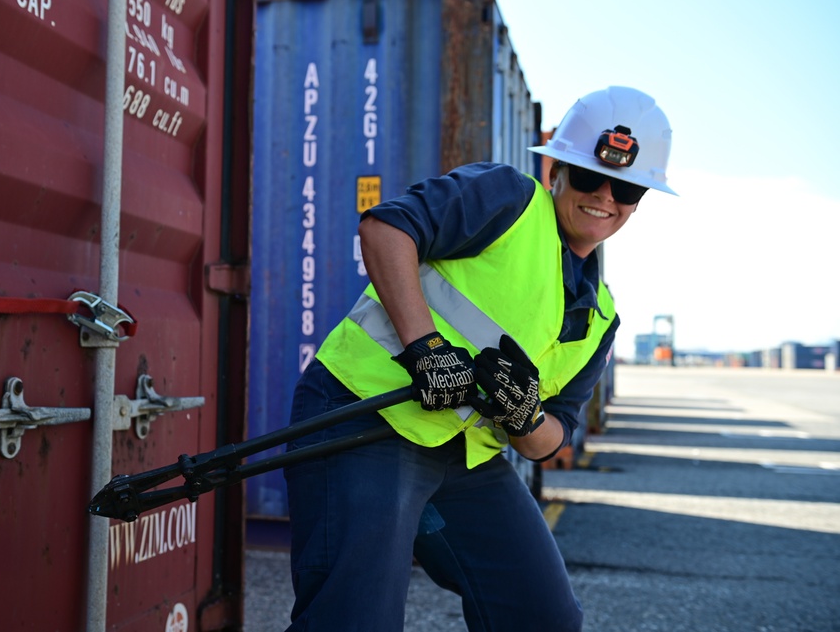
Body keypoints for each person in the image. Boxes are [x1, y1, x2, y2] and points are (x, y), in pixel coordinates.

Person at [283, 86, 675, 631]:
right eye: (589, 176)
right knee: (354, 619)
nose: (605, 196)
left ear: (639, 200)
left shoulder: (601, 317)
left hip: (461, 459)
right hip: (364, 418)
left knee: (541, 617)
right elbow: (385, 229)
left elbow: (551, 438)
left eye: (627, 187)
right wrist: (427, 350)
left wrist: (524, 417)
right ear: (557, 171)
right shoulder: (509, 199)